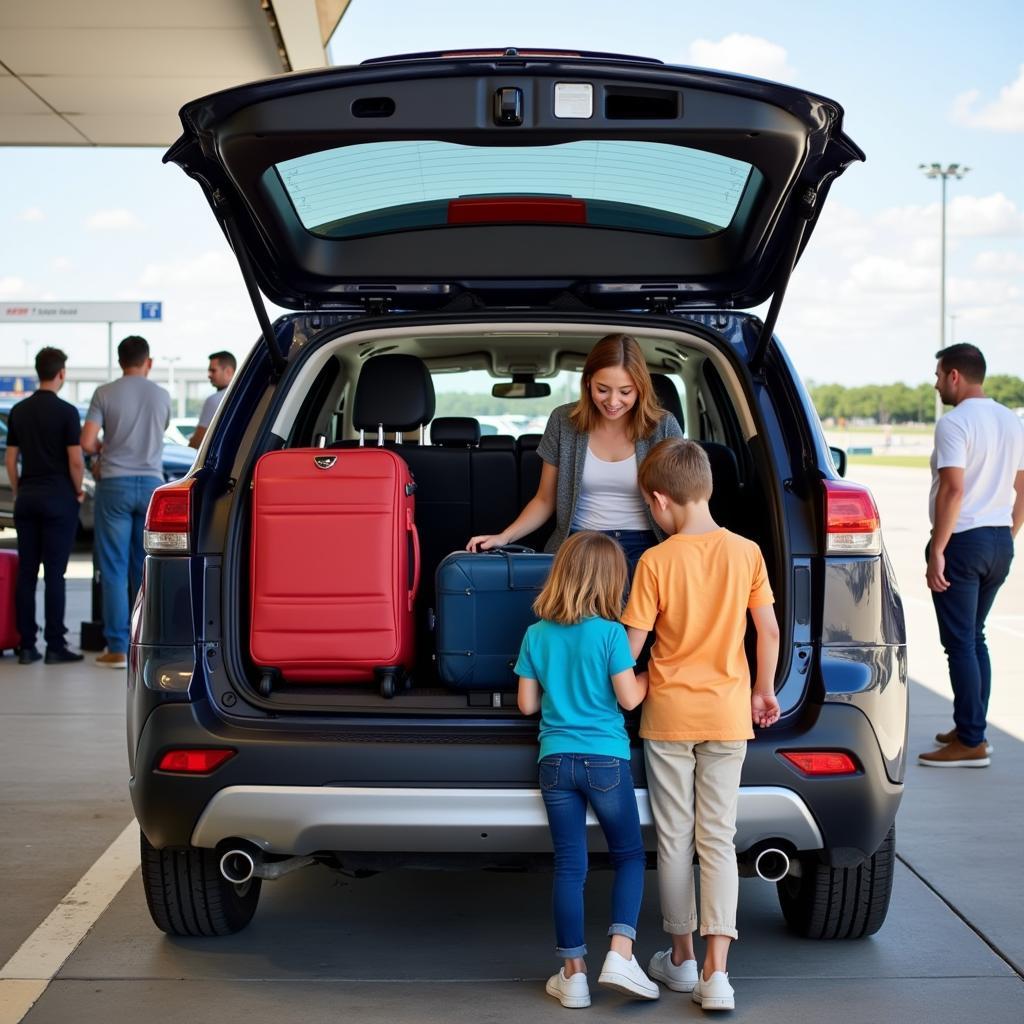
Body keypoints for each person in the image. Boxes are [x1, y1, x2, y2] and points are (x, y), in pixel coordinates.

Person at [619, 438, 780, 1013]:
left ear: (660, 500)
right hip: (728, 715)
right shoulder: (747, 552)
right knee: (718, 837)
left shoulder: (656, 561)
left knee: (675, 838)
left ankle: (681, 959)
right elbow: (768, 630)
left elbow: (632, 646)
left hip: (667, 717)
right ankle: (718, 974)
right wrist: (763, 690)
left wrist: (623, 693)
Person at [515, 531, 659, 1009]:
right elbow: (629, 698)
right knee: (629, 856)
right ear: (611, 582)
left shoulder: (537, 633)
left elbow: (526, 705)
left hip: (554, 761)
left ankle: (573, 973)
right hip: (606, 761)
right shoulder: (611, 633)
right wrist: (651, 671)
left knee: (569, 866)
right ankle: (620, 952)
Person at [467, 334, 682, 571]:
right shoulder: (563, 421)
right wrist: (504, 537)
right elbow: (545, 499)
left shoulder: (664, 426)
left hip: (646, 545)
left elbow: (682, 502)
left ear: (640, 389)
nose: (613, 401)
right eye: (603, 389)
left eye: (625, 392)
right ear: (588, 382)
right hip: (581, 544)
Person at [918, 343, 1024, 768]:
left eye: (939, 375)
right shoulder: (1011, 420)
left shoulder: (955, 423)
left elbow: (954, 488)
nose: (937, 383)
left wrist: (938, 550)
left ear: (955, 375)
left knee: (959, 642)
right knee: (974, 637)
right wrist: (1007, 532)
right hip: (999, 540)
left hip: (962, 542)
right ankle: (970, 726)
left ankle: (972, 742)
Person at [80, 335, 171, 668]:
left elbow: (87, 441)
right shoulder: (162, 395)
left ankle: (117, 647)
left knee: (113, 568)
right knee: (142, 566)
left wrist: (106, 446)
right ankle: (142, 645)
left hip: (114, 485)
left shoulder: (105, 393)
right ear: (148, 362)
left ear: (120, 362)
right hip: (150, 485)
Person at [5, 347, 86, 665]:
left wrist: (18, 489)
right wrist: (78, 491)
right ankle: (55, 645)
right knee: (55, 573)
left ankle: (27, 646)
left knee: (27, 572)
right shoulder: (67, 412)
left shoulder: (19, 411)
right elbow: (75, 460)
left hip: (28, 498)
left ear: (38, 372)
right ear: (61, 374)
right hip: (58, 499)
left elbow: (11, 459)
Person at [189, 350, 236, 449]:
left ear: (228, 371)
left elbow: (198, 441)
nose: (209, 375)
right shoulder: (241, 397)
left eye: (213, 370)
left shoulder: (214, 401)